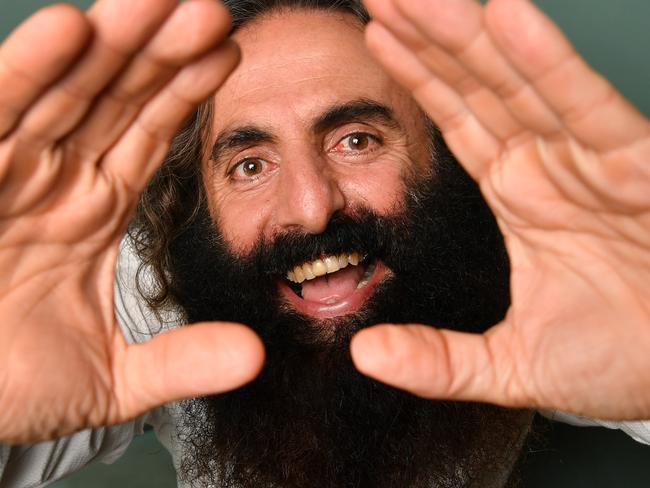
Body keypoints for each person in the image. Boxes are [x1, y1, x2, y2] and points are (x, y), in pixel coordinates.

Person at [0, 0, 648, 486]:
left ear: (444, 166)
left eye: (357, 140)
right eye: (250, 164)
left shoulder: (529, 277)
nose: (311, 209)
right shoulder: (150, 288)